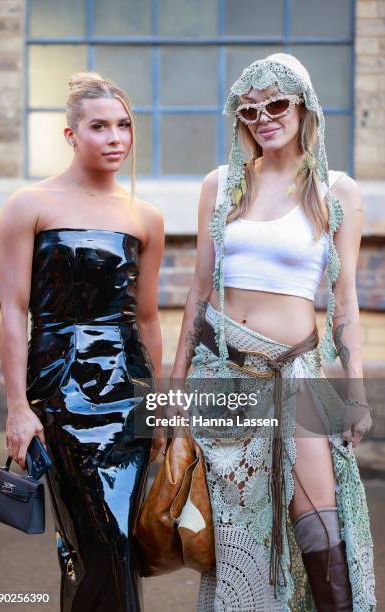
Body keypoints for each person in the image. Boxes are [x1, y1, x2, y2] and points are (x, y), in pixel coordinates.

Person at [171, 54, 376, 611]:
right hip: (226, 374)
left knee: (318, 526)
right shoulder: (222, 185)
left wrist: (355, 392)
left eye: (277, 103)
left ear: (304, 106)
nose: (264, 117)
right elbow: (197, 292)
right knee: (238, 533)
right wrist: (175, 393)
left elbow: (345, 303)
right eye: (250, 108)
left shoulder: (336, 191)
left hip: (298, 373)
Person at [0, 72, 164, 612]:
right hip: (58, 396)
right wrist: (18, 409)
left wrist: (163, 408)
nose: (115, 137)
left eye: (124, 125)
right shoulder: (30, 206)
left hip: (127, 394)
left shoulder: (145, 217)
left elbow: (149, 318)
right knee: (99, 540)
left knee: (116, 545)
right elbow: (13, 311)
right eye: (99, 126)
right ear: (70, 135)